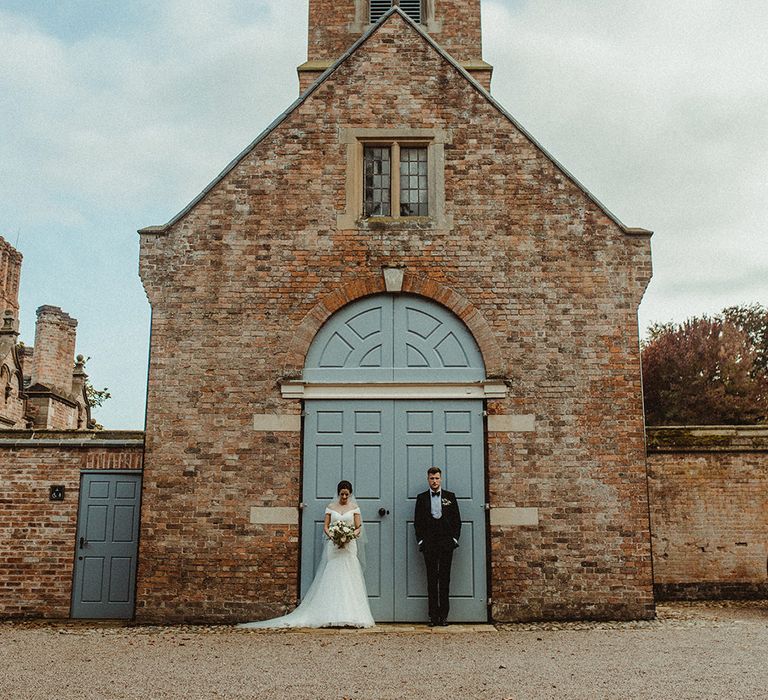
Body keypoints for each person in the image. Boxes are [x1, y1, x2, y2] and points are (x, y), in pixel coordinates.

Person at [239, 480, 374, 629]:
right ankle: (329, 615)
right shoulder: (330, 507)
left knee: (349, 576)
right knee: (333, 575)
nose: (343, 497)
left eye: (346, 494)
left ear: (350, 494)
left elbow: (358, 527)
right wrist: (334, 536)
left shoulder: (354, 508)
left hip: (349, 546)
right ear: (338, 493)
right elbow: (326, 527)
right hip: (334, 545)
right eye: (341, 494)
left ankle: (352, 615)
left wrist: (349, 536)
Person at [414, 466, 461, 627]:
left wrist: (454, 539)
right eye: (432, 478)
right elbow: (417, 522)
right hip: (429, 543)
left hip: (446, 543)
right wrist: (421, 541)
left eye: (437, 478)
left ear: (441, 479)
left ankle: (444, 616)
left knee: (445, 579)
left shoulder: (450, 497)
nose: (434, 481)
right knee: (432, 580)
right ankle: (433, 616)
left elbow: (457, 520)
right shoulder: (421, 498)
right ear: (428, 479)